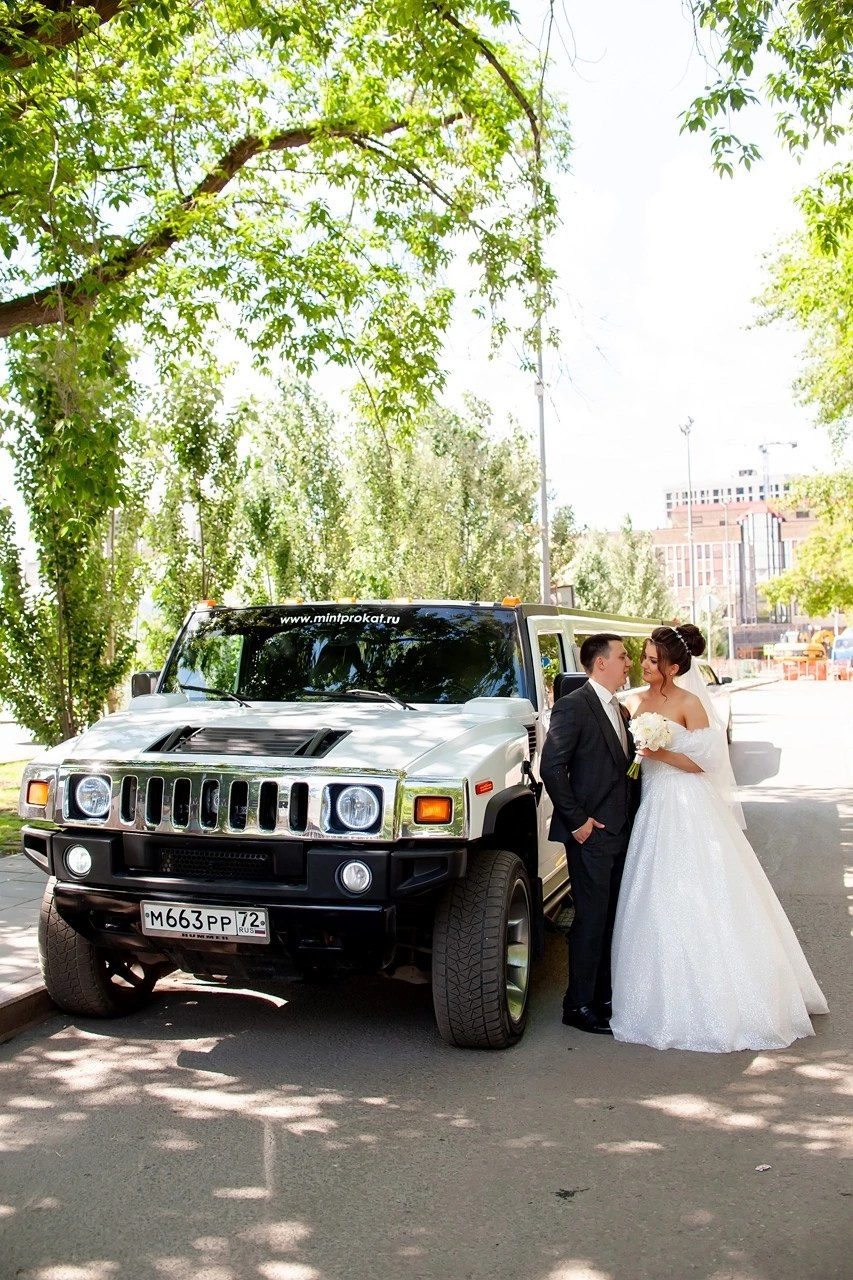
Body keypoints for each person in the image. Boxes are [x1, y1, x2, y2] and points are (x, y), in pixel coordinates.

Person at [610, 623, 829, 1052]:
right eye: (644, 657)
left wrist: (660, 753)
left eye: (653, 659)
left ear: (673, 667)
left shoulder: (690, 703)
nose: (644, 664)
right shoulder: (632, 699)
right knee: (656, 892)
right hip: (651, 804)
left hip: (687, 801)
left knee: (706, 887)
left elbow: (706, 762)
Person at [540, 633, 640, 1034]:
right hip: (591, 834)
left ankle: (601, 997)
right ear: (601, 663)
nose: (628, 662)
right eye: (622, 656)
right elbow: (552, 768)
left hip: (621, 831)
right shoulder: (573, 706)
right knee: (591, 919)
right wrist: (578, 822)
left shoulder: (622, 710)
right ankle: (577, 1005)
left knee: (612, 918)